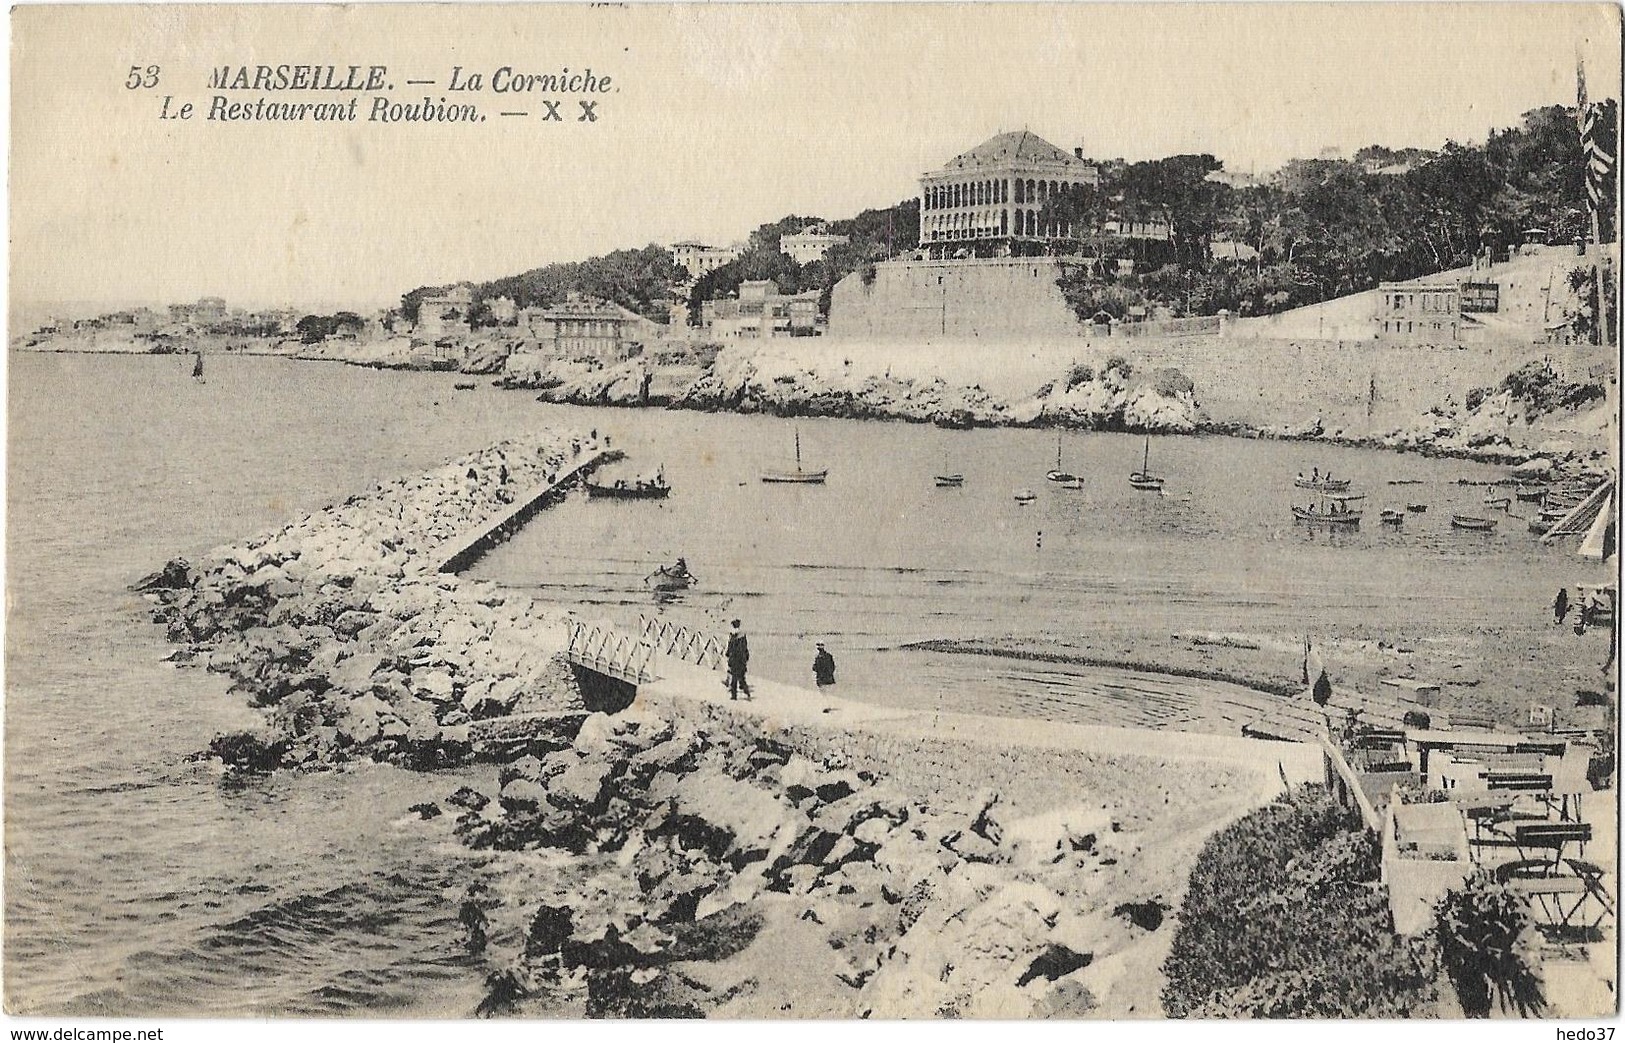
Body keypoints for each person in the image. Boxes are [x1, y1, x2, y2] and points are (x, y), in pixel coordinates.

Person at [725, 619, 751, 700]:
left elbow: (730, 648)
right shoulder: (742, 636)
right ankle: (746, 691)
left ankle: (734, 695)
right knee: (741, 677)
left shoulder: (733, 636)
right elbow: (745, 648)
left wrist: (728, 654)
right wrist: (746, 657)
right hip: (741, 659)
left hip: (735, 659)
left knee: (734, 678)